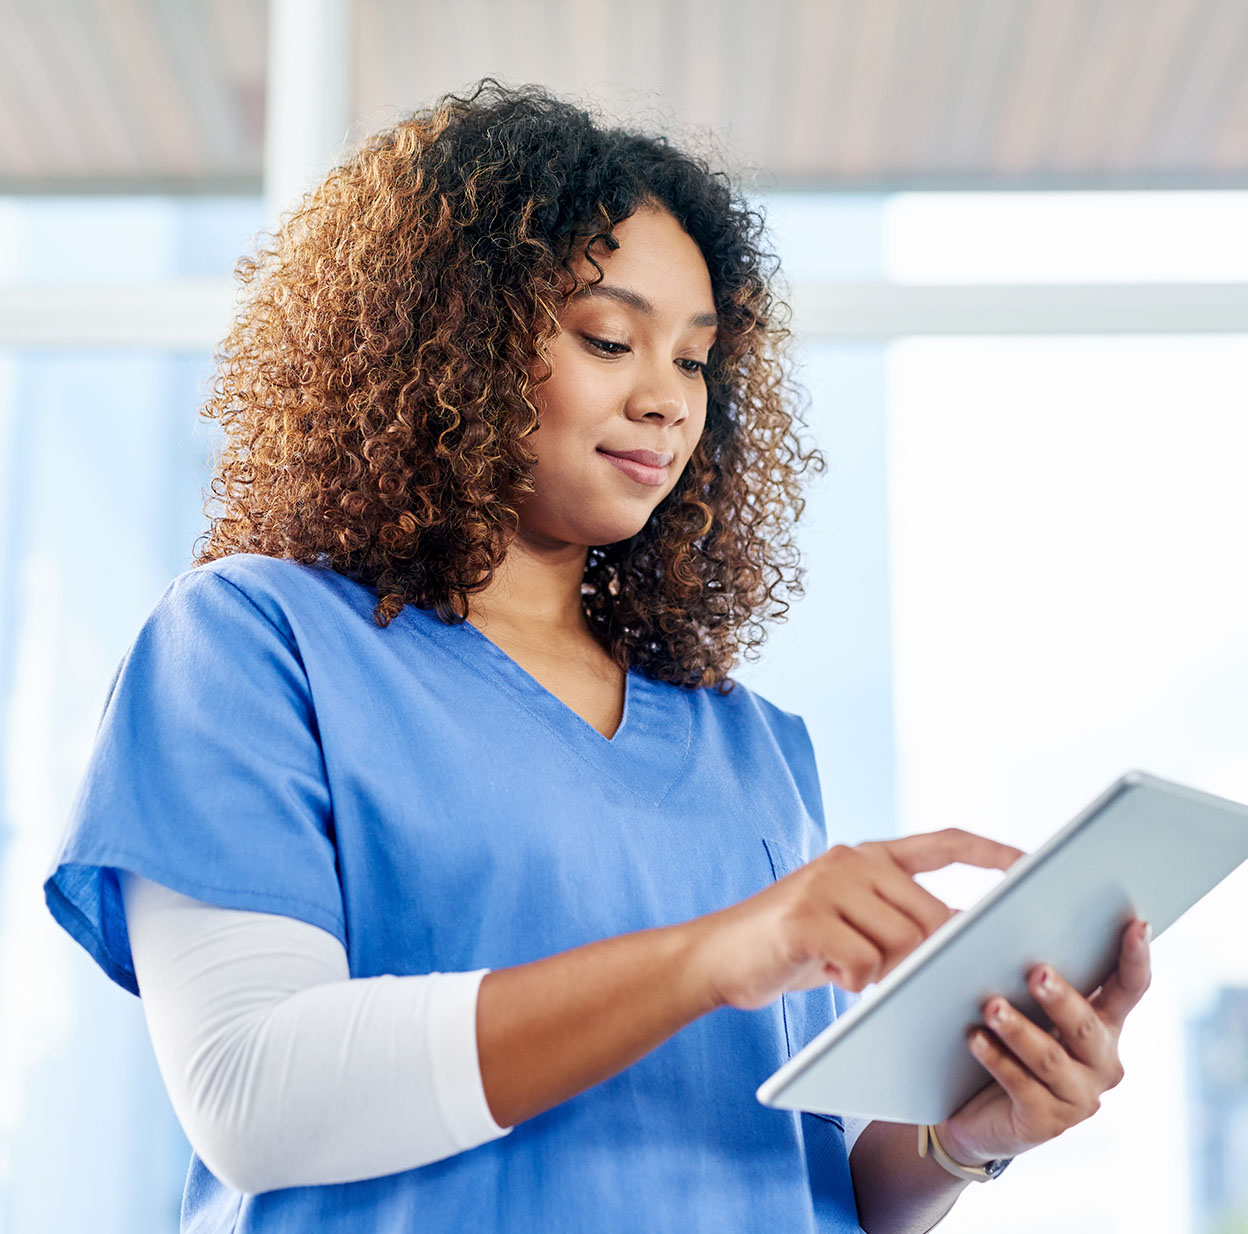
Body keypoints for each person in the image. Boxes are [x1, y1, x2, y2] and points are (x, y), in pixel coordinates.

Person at [43, 80, 1151, 1234]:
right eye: (611, 339)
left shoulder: (749, 746)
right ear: (451, 337)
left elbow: (799, 1169)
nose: (667, 401)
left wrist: (962, 1137)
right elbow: (252, 1092)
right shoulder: (253, 642)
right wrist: (711, 955)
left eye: (696, 359)